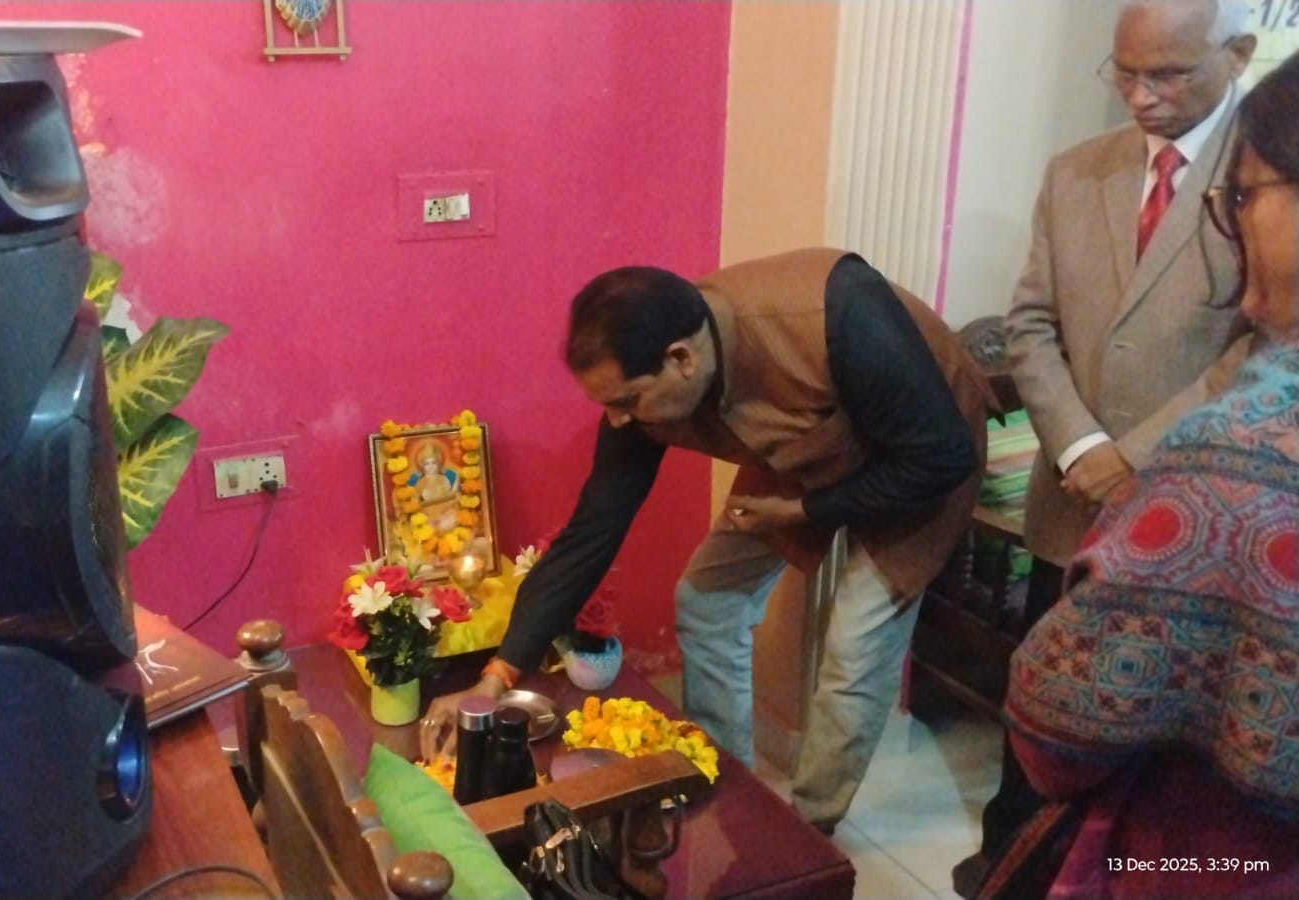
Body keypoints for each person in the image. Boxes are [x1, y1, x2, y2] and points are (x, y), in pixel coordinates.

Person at [421, 248, 992, 834]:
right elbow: (592, 532)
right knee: (707, 596)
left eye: (626, 402)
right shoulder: (646, 382)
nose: (617, 421)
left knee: (853, 648)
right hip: (808, 443)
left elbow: (940, 456)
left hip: (923, 459)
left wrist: (802, 510)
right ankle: (728, 789)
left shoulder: (843, 311)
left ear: (681, 359)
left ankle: (806, 833)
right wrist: (495, 678)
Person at [981, 50, 1299, 897]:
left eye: (1244, 198)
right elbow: (1030, 324)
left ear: (1235, 54)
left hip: (1211, 860)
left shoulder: (1240, 454)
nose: (1140, 94)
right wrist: (1082, 448)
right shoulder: (1075, 171)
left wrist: (1146, 460)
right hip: (1069, 493)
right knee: (1018, 809)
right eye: (1123, 72)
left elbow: (1059, 724)